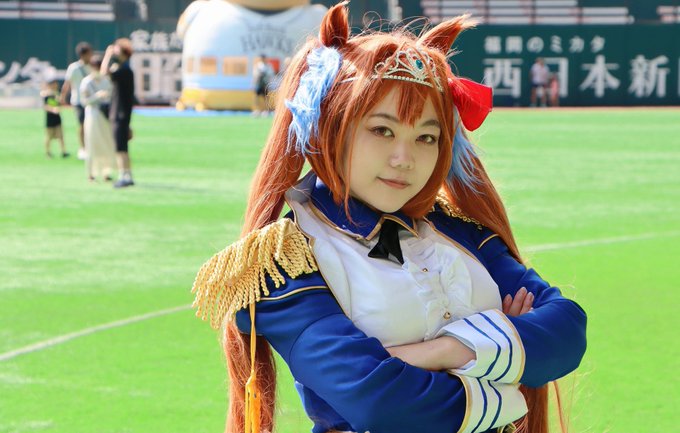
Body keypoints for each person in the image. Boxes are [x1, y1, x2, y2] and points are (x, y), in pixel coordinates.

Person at [192, 5, 587, 433]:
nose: (404, 159)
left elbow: (567, 329)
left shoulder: (455, 228)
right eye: (382, 130)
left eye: (426, 137)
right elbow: (377, 399)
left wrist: (443, 351)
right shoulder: (283, 260)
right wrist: (506, 371)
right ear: (330, 128)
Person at [101, 38, 136, 188]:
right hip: (120, 113)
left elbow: (104, 72)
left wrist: (107, 55)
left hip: (120, 114)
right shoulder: (123, 68)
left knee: (120, 147)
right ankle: (126, 174)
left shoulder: (124, 70)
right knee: (121, 147)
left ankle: (124, 176)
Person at [80, 54, 116, 182]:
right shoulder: (86, 82)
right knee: (91, 144)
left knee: (107, 143)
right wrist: (97, 96)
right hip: (92, 115)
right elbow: (84, 101)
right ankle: (91, 173)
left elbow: (111, 96)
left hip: (105, 116)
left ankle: (106, 172)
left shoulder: (106, 81)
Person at [61, 41, 92, 160]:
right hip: (78, 100)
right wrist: (63, 97)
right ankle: (83, 148)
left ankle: (90, 147)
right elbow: (67, 83)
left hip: (91, 100)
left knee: (91, 124)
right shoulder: (74, 68)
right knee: (82, 125)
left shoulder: (92, 66)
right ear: (83, 54)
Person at [42, 79, 69, 158]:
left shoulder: (57, 94)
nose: (55, 86)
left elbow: (61, 104)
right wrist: (53, 109)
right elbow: (45, 106)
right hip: (50, 119)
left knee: (61, 136)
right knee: (49, 136)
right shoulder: (46, 95)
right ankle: (48, 152)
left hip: (57, 118)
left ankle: (63, 152)